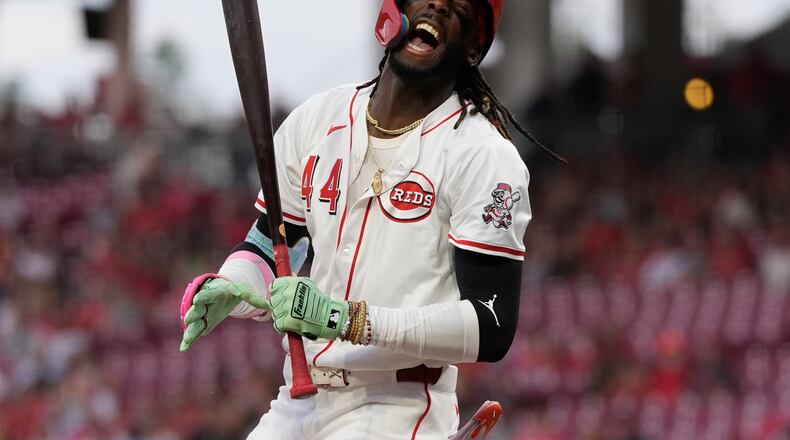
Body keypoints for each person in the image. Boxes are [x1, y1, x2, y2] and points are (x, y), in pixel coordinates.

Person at [179, 0, 560, 438]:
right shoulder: (317, 120)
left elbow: (492, 327)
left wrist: (348, 319)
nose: (435, 5)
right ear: (392, 10)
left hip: (395, 407)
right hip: (300, 400)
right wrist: (234, 284)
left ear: (475, 45)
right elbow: (272, 246)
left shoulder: (483, 155)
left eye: (456, 6)